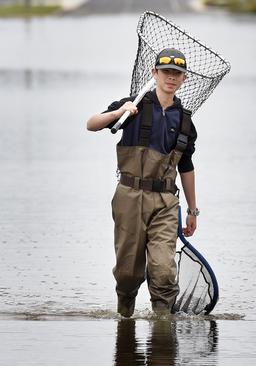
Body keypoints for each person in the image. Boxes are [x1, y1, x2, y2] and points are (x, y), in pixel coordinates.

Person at [86, 48, 200, 317]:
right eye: (166, 72)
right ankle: (124, 315)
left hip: (165, 202)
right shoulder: (133, 106)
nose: (171, 78)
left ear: (184, 79)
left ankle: (162, 329)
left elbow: (186, 166)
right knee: (127, 272)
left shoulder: (185, 121)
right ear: (155, 74)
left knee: (163, 270)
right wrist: (117, 114)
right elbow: (91, 124)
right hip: (129, 196)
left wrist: (193, 210)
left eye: (177, 74)